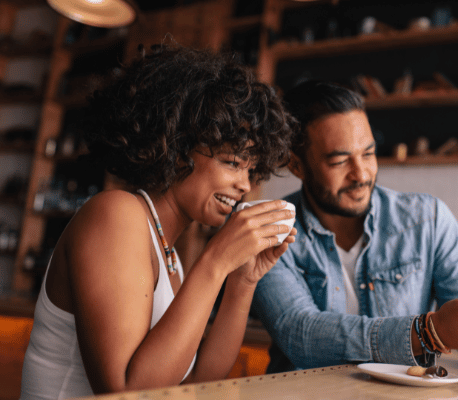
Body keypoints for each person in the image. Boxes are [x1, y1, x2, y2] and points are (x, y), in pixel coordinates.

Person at [20, 43, 297, 399]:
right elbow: (125, 390)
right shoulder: (115, 214)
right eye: (232, 162)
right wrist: (215, 261)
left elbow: (198, 383)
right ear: (177, 147)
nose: (244, 184)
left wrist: (242, 280)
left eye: (252, 170)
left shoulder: (169, 255)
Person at [251, 80, 458, 373]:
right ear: (296, 165)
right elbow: (300, 335)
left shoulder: (428, 220)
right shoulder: (269, 229)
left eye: (369, 153)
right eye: (339, 161)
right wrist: (428, 332)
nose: (361, 174)